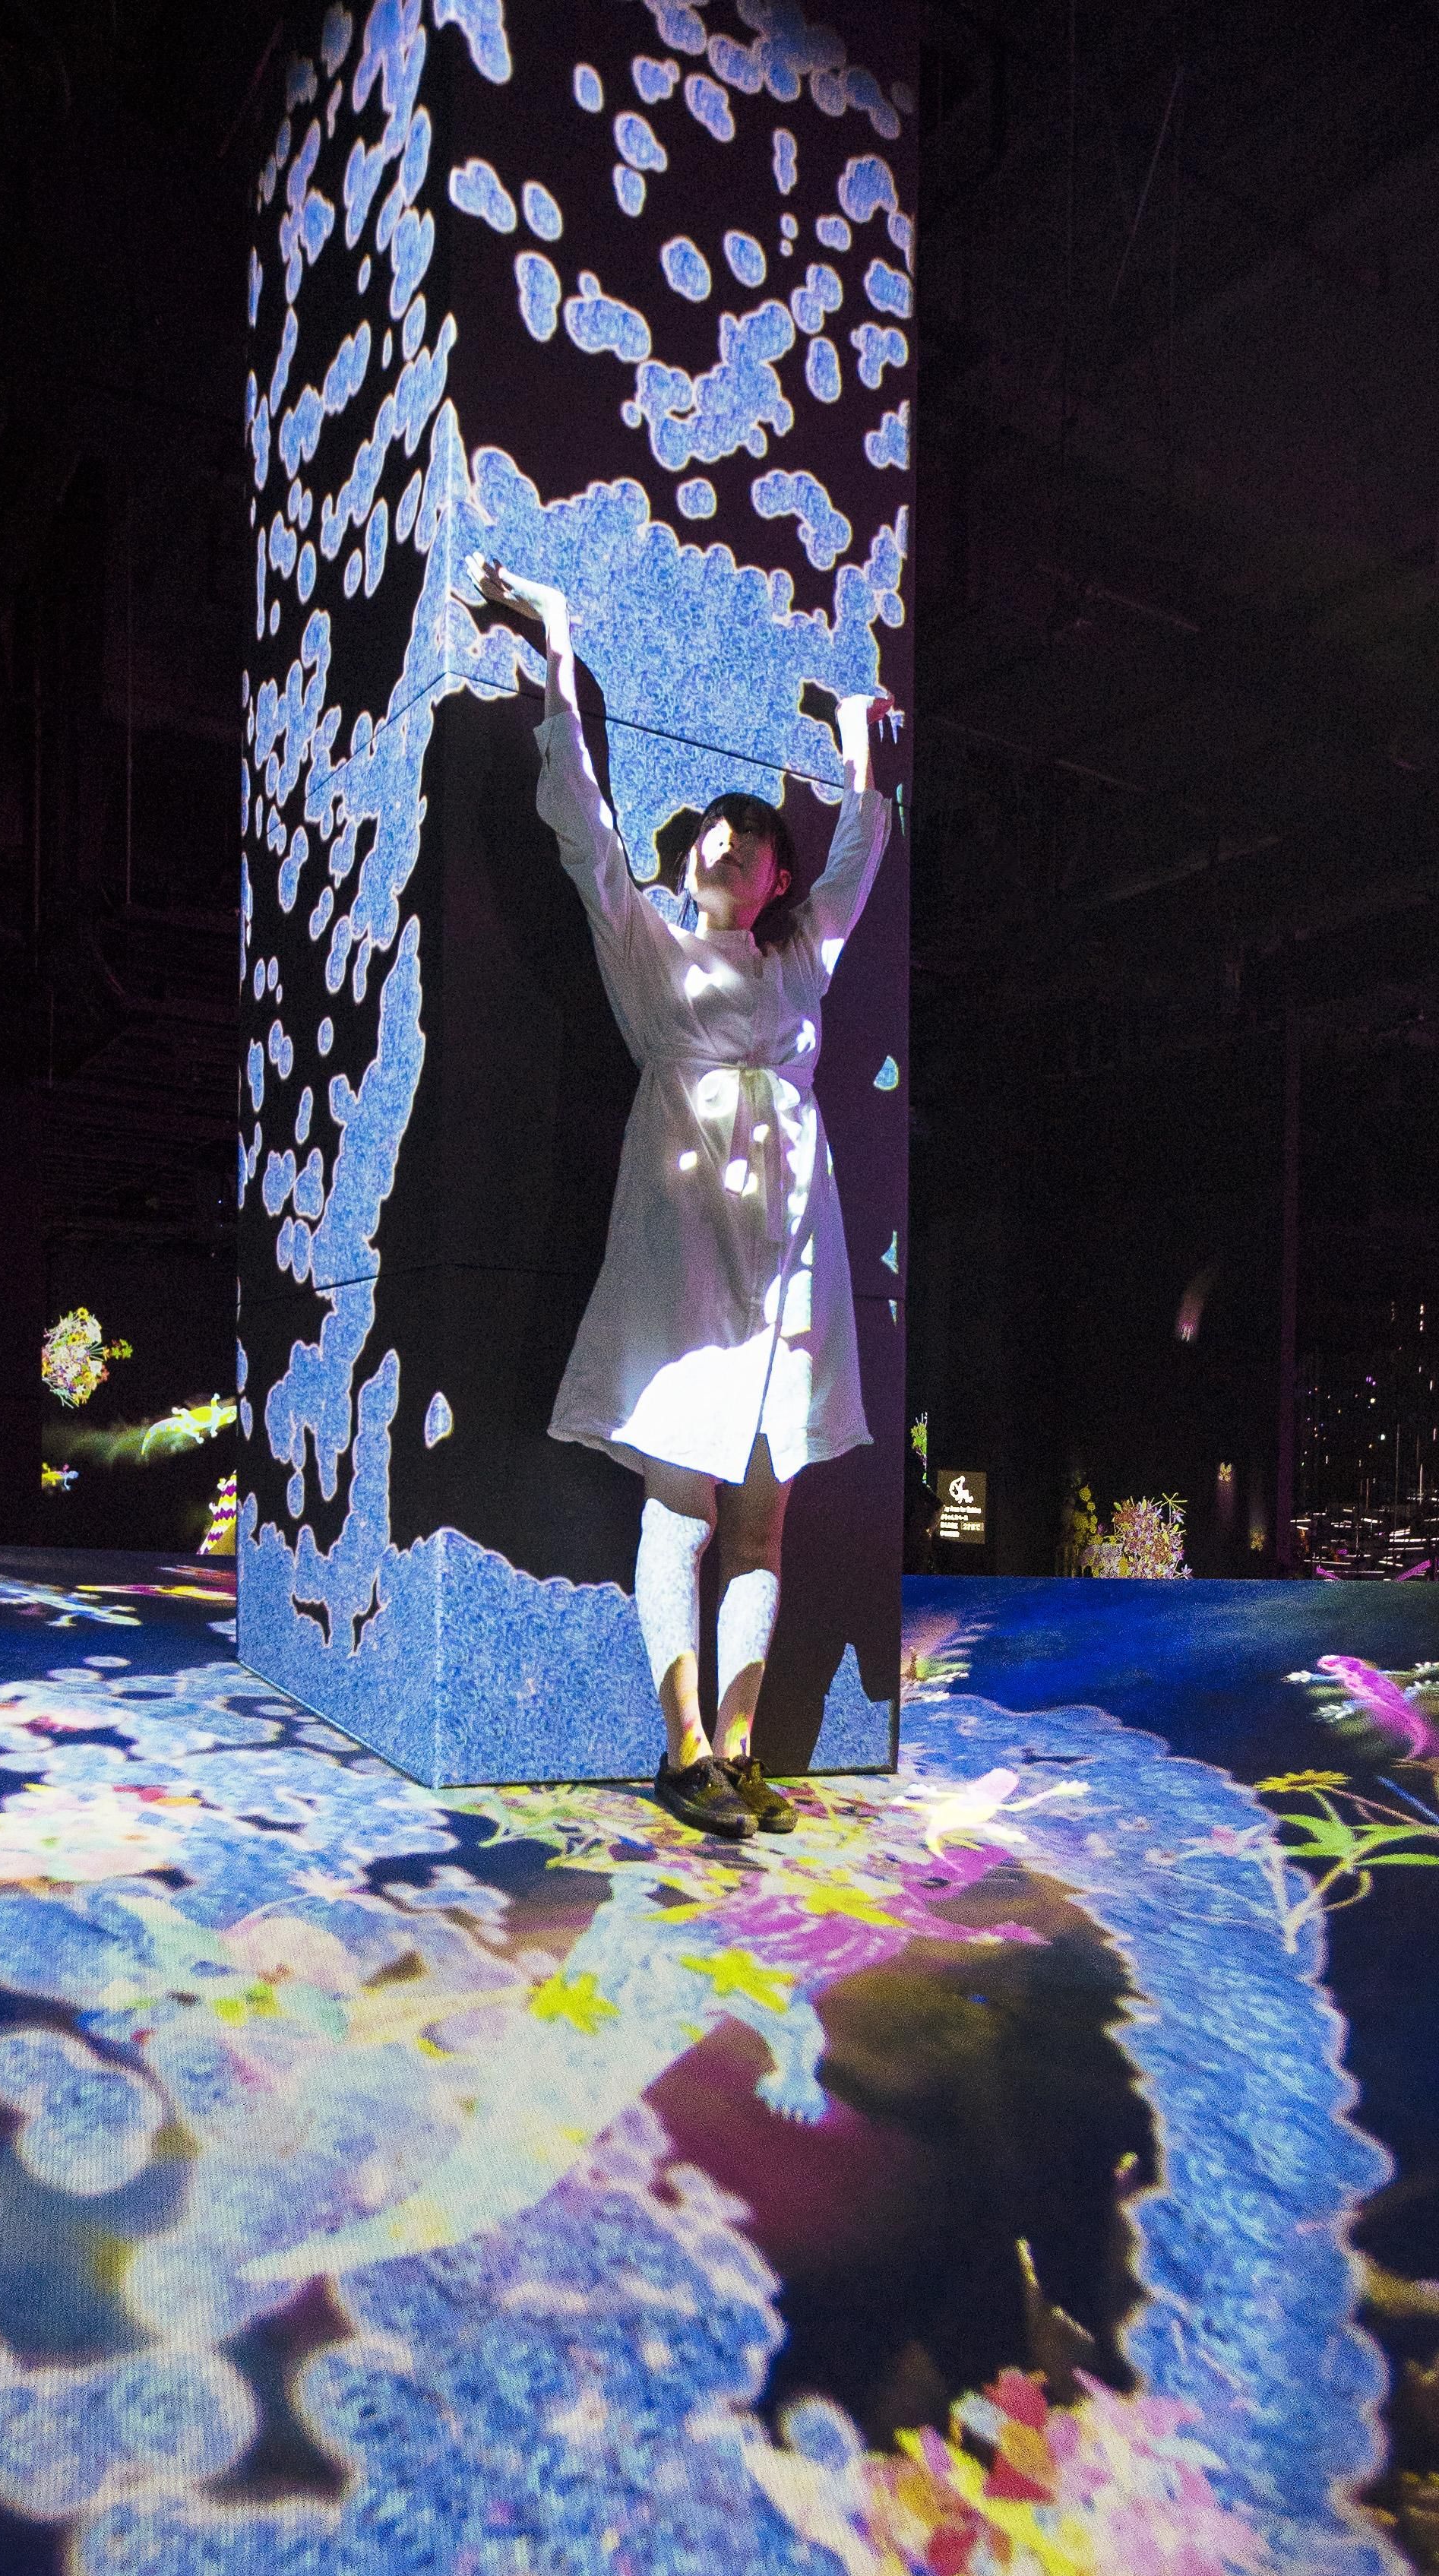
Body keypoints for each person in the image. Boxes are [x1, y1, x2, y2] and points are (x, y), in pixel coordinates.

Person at [464, 553, 895, 1840]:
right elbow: (584, 824)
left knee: (764, 1514)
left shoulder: (799, 959)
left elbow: (863, 849)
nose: (729, 842)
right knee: (680, 1503)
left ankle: (741, 1751)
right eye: (716, 829)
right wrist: (556, 636)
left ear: (775, 881)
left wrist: (859, 743)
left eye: (753, 839)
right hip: (684, 1244)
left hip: (794, 1250)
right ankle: (682, 1745)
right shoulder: (648, 941)